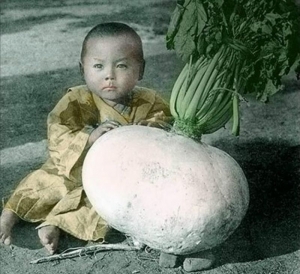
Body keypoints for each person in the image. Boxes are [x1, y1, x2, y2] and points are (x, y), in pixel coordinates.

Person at [0, 22, 172, 255]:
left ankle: (56, 225)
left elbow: (163, 127)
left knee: (103, 206)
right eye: (99, 66)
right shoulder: (77, 99)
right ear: (83, 69)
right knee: (45, 182)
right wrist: (88, 137)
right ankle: (10, 215)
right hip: (72, 168)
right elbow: (57, 130)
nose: (109, 75)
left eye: (122, 66)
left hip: (114, 176)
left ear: (140, 70)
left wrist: (141, 132)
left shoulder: (149, 102)